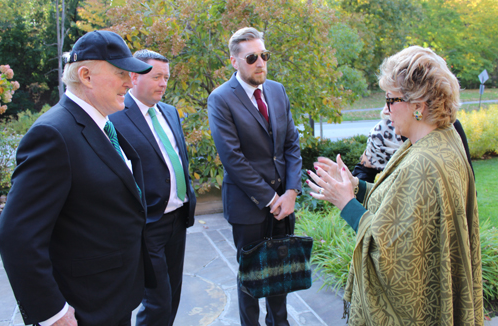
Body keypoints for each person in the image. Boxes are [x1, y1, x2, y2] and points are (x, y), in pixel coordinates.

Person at [307, 46, 483, 325]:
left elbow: (389, 253)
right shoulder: (440, 138)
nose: (385, 110)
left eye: (391, 100)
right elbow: (398, 204)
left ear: (418, 105)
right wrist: (355, 186)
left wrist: (345, 204)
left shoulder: (423, 163)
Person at [0, 30, 156, 326]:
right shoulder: (53, 134)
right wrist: (53, 313)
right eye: (121, 72)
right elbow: (17, 235)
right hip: (84, 309)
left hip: (112, 297)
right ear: (85, 75)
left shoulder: (100, 123)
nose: (130, 81)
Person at [207, 27, 302, 326]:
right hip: (248, 206)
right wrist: (271, 198)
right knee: (250, 277)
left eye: (264, 55)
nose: (260, 62)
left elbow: (291, 144)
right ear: (234, 61)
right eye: (251, 57)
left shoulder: (277, 90)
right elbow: (233, 159)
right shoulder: (220, 99)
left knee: (280, 272)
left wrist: (291, 193)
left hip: (283, 205)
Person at [110, 49, 196, 326]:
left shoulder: (169, 112)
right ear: (133, 77)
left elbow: (177, 159)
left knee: (173, 297)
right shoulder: (116, 116)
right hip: (148, 224)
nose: (163, 83)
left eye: (166, 77)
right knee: (157, 302)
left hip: (178, 219)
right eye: (157, 76)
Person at [352, 116, 474, 182]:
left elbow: (468, 179)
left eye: (393, 99)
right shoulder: (383, 131)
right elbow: (363, 171)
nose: (388, 108)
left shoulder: (448, 125)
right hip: (396, 218)